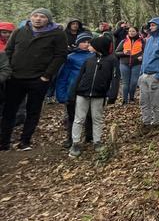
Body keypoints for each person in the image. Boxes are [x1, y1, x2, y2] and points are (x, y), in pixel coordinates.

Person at [0, 8, 68, 151]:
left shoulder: (57, 34)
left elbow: (60, 55)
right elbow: (8, 51)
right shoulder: (19, 32)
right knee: (9, 110)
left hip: (38, 79)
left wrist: (47, 75)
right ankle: (3, 141)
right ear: (30, 17)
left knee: (33, 110)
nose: (38, 19)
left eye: (42, 17)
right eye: (35, 16)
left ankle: (25, 141)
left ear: (48, 19)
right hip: (15, 78)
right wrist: (9, 71)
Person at [69, 36, 118, 157]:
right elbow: (79, 77)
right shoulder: (89, 60)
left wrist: (113, 94)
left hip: (99, 94)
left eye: (91, 45)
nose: (88, 46)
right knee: (79, 118)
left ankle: (97, 141)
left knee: (97, 118)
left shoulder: (111, 60)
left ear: (98, 47)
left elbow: (115, 77)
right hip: (82, 93)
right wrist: (73, 93)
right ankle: (75, 143)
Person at [55, 32, 94, 148]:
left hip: (89, 90)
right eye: (84, 42)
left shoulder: (95, 56)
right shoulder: (71, 58)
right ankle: (71, 138)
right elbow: (62, 77)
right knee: (72, 116)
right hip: (72, 91)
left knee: (90, 115)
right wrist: (61, 94)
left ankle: (89, 136)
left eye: (89, 42)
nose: (87, 44)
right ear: (78, 43)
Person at [115, 25, 144, 104]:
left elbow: (146, 52)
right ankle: (125, 99)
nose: (131, 33)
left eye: (133, 31)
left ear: (137, 32)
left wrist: (142, 56)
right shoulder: (123, 41)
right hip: (124, 63)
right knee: (125, 82)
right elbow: (116, 52)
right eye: (130, 31)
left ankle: (131, 98)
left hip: (137, 64)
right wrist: (123, 53)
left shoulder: (142, 41)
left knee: (134, 82)